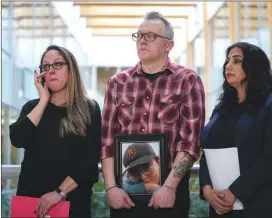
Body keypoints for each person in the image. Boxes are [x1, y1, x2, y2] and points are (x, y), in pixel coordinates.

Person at [100, 11, 205, 218]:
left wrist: (169, 187)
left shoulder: (188, 81)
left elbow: (190, 142)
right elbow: (107, 141)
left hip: (170, 191)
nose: (142, 41)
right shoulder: (117, 83)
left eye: (151, 36)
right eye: (139, 35)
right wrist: (111, 188)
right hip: (124, 192)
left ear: (169, 45)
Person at [9, 45, 101, 218]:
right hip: (31, 203)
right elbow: (17, 139)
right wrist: (43, 100)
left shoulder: (89, 109)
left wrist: (59, 192)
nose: (51, 70)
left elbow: (89, 161)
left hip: (73, 203)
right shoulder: (31, 107)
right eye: (45, 66)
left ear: (71, 69)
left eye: (57, 64)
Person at [199, 42, 272, 218]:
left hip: (259, 205)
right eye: (227, 61)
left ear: (254, 67)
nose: (228, 66)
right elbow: (207, 154)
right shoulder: (221, 109)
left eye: (237, 61)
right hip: (219, 205)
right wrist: (206, 189)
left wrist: (234, 191)